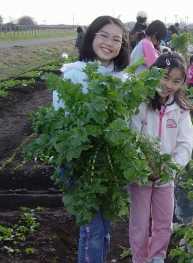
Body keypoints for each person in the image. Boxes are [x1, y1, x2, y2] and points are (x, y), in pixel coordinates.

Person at [52, 15, 130, 263]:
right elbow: (61, 123)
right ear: (91, 37)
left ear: (122, 46)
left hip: (109, 163)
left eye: (116, 39)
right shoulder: (73, 75)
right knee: (92, 230)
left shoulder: (123, 80)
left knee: (105, 229)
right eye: (104, 36)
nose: (109, 43)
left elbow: (128, 124)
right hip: (81, 164)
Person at [128, 52, 193, 263]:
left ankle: (157, 257)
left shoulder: (180, 111)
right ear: (154, 73)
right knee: (139, 221)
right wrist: (141, 164)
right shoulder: (140, 103)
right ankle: (139, 258)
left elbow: (186, 143)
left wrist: (171, 166)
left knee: (164, 221)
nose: (168, 85)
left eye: (176, 81)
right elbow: (132, 136)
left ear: (182, 83)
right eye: (165, 77)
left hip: (167, 177)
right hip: (140, 176)